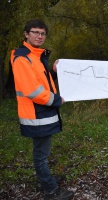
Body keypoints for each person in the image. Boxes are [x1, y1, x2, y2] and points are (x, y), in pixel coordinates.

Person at [10, 19, 74, 200]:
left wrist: (53, 72)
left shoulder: (36, 56)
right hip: (36, 114)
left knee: (43, 152)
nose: (39, 36)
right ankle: (50, 190)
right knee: (40, 155)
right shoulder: (22, 58)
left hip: (43, 112)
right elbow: (32, 91)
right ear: (26, 34)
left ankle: (46, 178)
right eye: (35, 32)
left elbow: (42, 82)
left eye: (42, 33)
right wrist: (56, 100)